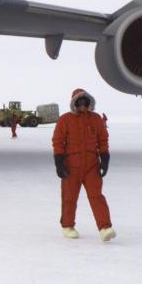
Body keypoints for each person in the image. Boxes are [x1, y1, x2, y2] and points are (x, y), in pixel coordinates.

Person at [52, 88, 115, 241]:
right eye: (79, 103)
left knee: (96, 196)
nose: (82, 106)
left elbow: (102, 140)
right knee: (69, 197)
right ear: (74, 104)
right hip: (71, 167)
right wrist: (59, 162)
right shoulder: (65, 120)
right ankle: (68, 226)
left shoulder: (96, 119)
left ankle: (105, 227)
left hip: (91, 166)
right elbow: (58, 141)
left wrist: (104, 159)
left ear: (89, 103)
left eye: (85, 103)